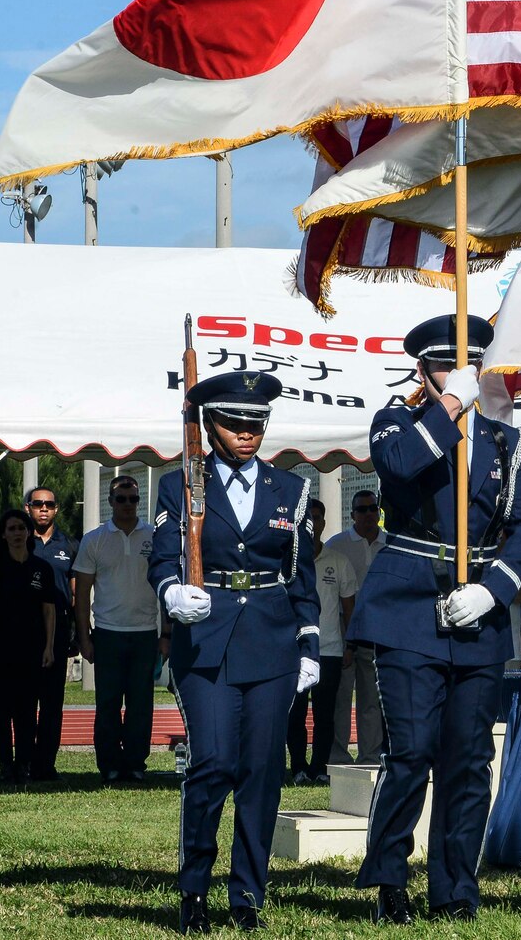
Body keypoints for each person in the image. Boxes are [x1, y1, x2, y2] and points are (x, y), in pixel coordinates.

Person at [351, 315, 521, 924]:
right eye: (444, 366)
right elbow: (403, 465)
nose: (459, 374)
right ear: (423, 371)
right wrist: (451, 404)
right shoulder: (396, 422)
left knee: (467, 761)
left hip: (478, 615)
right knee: (410, 753)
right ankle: (388, 878)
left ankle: (455, 889)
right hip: (408, 606)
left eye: (467, 366)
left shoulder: (504, 442)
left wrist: (495, 590)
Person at [149, 371, 321, 934]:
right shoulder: (180, 486)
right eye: (234, 423)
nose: (247, 433)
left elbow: (300, 575)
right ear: (210, 425)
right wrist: (171, 592)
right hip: (206, 640)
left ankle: (247, 892)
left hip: (272, 641)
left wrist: (310, 644)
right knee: (214, 762)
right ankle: (194, 887)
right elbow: (161, 559)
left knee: (262, 772)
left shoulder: (290, 490)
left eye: (257, 423)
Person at [75, 473, 163, 785]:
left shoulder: (154, 536)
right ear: (110, 502)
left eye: (134, 499)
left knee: (141, 704)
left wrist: (165, 635)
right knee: (108, 704)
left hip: (144, 633)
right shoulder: (94, 539)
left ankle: (136, 763)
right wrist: (84, 636)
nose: (128, 505)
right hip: (108, 632)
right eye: (122, 499)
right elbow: (82, 591)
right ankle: (110, 765)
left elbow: (167, 586)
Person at [0, 508, 60, 786]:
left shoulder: (41, 569)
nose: (16, 533)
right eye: (11, 529)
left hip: (33, 651)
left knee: (27, 711)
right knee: (3, 710)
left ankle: (24, 764)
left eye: (21, 528)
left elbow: (49, 611)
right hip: (0, 652)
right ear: (3, 534)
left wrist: (49, 647)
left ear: (29, 532)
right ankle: (5, 766)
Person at [286, 498, 355, 786]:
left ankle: (320, 768)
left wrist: (349, 645)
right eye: (309, 518)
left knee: (325, 715)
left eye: (318, 518)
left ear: (324, 523)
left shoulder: (338, 562)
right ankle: (299, 767)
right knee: (296, 714)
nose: (314, 523)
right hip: (296, 650)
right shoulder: (288, 560)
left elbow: (349, 608)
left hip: (329, 650)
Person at [22, 485, 78, 783]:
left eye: (49, 504)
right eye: (37, 503)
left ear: (56, 509)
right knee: (25, 703)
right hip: (23, 634)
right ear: (28, 506)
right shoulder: (18, 539)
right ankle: (25, 762)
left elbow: (76, 594)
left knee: (52, 703)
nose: (43, 508)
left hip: (56, 633)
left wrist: (77, 633)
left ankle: (46, 764)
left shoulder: (68, 544)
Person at [324, 491, 384, 764]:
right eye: (363, 510)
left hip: (378, 631)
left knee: (371, 698)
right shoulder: (337, 545)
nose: (369, 514)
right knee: (341, 697)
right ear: (352, 515)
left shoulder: (390, 544)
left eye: (373, 508)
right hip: (344, 630)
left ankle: (370, 754)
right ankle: (338, 755)